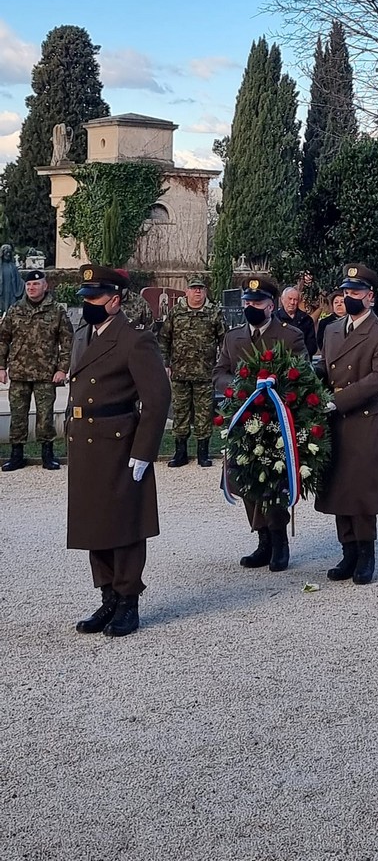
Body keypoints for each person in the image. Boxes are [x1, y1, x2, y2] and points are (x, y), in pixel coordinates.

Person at [67, 264, 170, 638]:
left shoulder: (134, 340)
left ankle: (128, 601)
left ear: (115, 301)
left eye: (94, 298)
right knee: (94, 522)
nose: (88, 304)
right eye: (85, 298)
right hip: (85, 444)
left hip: (117, 443)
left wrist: (143, 452)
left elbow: (157, 401)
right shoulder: (85, 335)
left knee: (124, 524)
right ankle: (107, 595)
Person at [213, 276, 308, 572]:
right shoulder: (233, 337)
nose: (250, 307)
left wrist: (274, 389)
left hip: (275, 420)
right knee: (245, 478)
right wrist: (240, 386)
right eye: (247, 302)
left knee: (274, 480)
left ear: (270, 305)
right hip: (243, 419)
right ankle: (263, 539)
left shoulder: (289, 336)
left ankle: (280, 541)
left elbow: (303, 374)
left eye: (256, 302)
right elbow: (219, 372)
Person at [316, 264, 378, 585]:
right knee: (338, 485)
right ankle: (347, 550)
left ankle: (366, 552)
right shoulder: (333, 330)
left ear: (370, 296)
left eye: (355, 292)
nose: (349, 297)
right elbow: (323, 366)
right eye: (346, 292)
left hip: (363, 420)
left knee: (361, 487)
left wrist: (337, 400)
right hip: (333, 419)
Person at [0, 269, 73, 471]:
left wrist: (62, 369)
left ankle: (47, 455)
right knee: (18, 415)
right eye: (29, 285)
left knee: (45, 416)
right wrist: (1, 367)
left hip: (46, 373)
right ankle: (17, 455)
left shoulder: (57, 311)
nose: (32, 288)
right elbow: (3, 340)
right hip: (19, 372)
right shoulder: (15, 310)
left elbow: (67, 342)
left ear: (45, 286)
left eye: (36, 284)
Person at [158, 275, 226, 468]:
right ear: (187, 291)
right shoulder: (175, 312)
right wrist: (165, 363)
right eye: (194, 288)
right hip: (180, 373)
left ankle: (203, 453)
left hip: (205, 374)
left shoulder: (214, 313)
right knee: (180, 413)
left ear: (205, 291)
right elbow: (164, 339)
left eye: (201, 289)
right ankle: (180, 453)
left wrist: (222, 364)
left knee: (204, 414)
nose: (197, 292)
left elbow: (224, 340)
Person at [275, 285, 317, 360]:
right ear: (282, 299)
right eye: (290, 299)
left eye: (295, 299)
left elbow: (312, 346)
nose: (292, 302)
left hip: (302, 362)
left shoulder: (306, 319)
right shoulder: (274, 318)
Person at [0, 244, 23, 313]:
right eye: (6, 252)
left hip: (12, 292)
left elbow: (18, 280)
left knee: (11, 309)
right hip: (2, 292)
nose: (8, 254)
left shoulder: (12, 266)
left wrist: (24, 284)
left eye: (9, 252)